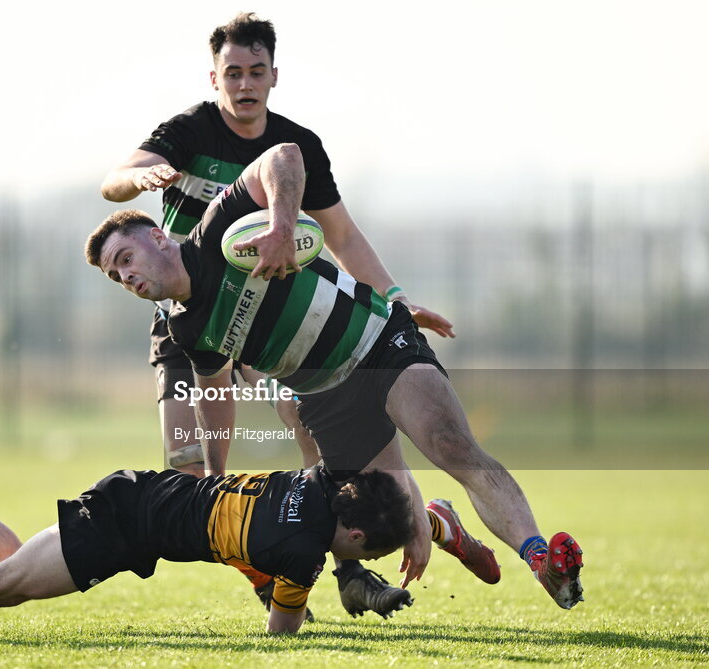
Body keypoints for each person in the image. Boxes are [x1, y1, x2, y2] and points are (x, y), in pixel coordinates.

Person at [85, 144, 585, 610]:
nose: (125, 277)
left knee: (448, 443)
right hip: (324, 396)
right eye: (114, 275)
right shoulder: (185, 326)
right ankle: (439, 525)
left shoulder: (219, 231)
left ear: (157, 237)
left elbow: (284, 156)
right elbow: (213, 394)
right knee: (369, 525)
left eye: (125, 259)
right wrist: (214, 479)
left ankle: (542, 559)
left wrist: (281, 226)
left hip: (374, 342)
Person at [100, 11, 456, 620]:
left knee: (317, 435)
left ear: (272, 76)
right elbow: (114, 179)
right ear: (214, 77)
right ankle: (271, 580)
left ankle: (349, 569)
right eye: (231, 72)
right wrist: (139, 177)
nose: (243, 83)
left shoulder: (298, 144)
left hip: (273, 317)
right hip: (191, 325)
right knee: (189, 466)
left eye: (255, 71)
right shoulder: (189, 130)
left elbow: (342, 234)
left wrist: (394, 299)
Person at [0, 453, 421, 635]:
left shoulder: (318, 477)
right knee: (1, 588)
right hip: (126, 526)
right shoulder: (303, 557)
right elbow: (282, 637)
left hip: (145, 494)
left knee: (14, 570)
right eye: (364, 555)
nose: (356, 562)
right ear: (357, 536)